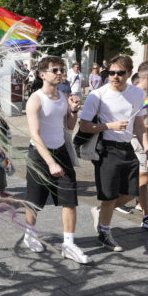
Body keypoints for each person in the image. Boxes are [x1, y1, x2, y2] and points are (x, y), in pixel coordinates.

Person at [79, 54, 148, 252]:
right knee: (109, 195)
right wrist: (108, 126)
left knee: (133, 191)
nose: (114, 76)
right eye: (111, 72)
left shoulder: (137, 94)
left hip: (126, 147)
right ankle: (105, 232)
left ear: (130, 73)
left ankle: (101, 211)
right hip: (106, 148)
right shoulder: (99, 94)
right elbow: (84, 126)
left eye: (120, 73)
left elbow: (139, 125)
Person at [23, 56, 91, 264]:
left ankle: (68, 244)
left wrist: (73, 110)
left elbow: (69, 126)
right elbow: (35, 134)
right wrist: (50, 162)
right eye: (55, 70)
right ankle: (30, 234)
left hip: (61, 152)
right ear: (42, 74)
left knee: (69, 199)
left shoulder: (63, 96)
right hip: (40, 155)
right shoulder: (35, 99)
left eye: (62, 69)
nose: (60, 73)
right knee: (35, 201)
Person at [112, 61, 148, 228]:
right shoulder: (137, 94)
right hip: (134, 141)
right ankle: (105, 209)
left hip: (143, 141)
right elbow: (132, 124)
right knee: (142, 179)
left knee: (142, 179)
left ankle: (146, 215)